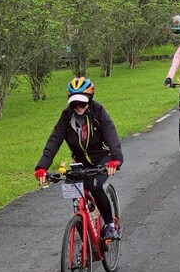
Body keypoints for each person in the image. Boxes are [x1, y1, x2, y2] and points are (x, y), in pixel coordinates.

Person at [35, 77, 123, 240]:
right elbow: (55, 139)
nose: (78, 107)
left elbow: (111, 133)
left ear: (89, 100)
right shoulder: (67, 116)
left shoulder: (98, 111)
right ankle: (83, 224)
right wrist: (42, 167)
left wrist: (115, 159)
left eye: (82, 103)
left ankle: (110, 225)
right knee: (74, 190)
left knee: (96, 187)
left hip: (101, 158)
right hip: (80, 160)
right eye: (74, 103)